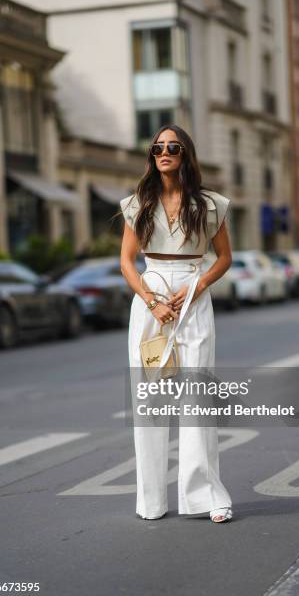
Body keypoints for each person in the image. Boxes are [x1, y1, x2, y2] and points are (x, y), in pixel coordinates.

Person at [119, 124, 233, 523]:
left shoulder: (211, 204)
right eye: (157, 147)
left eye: (173, 147)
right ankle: (151, 500)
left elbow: (223, 259)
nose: (164, 152)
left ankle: (203, 497)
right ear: (151, 155)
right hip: (150, 300)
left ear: (186, 154)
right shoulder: (137, 204)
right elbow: (126, 263)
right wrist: (151, 302)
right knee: (149, 399)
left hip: (193, 298)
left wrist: (198, 286)